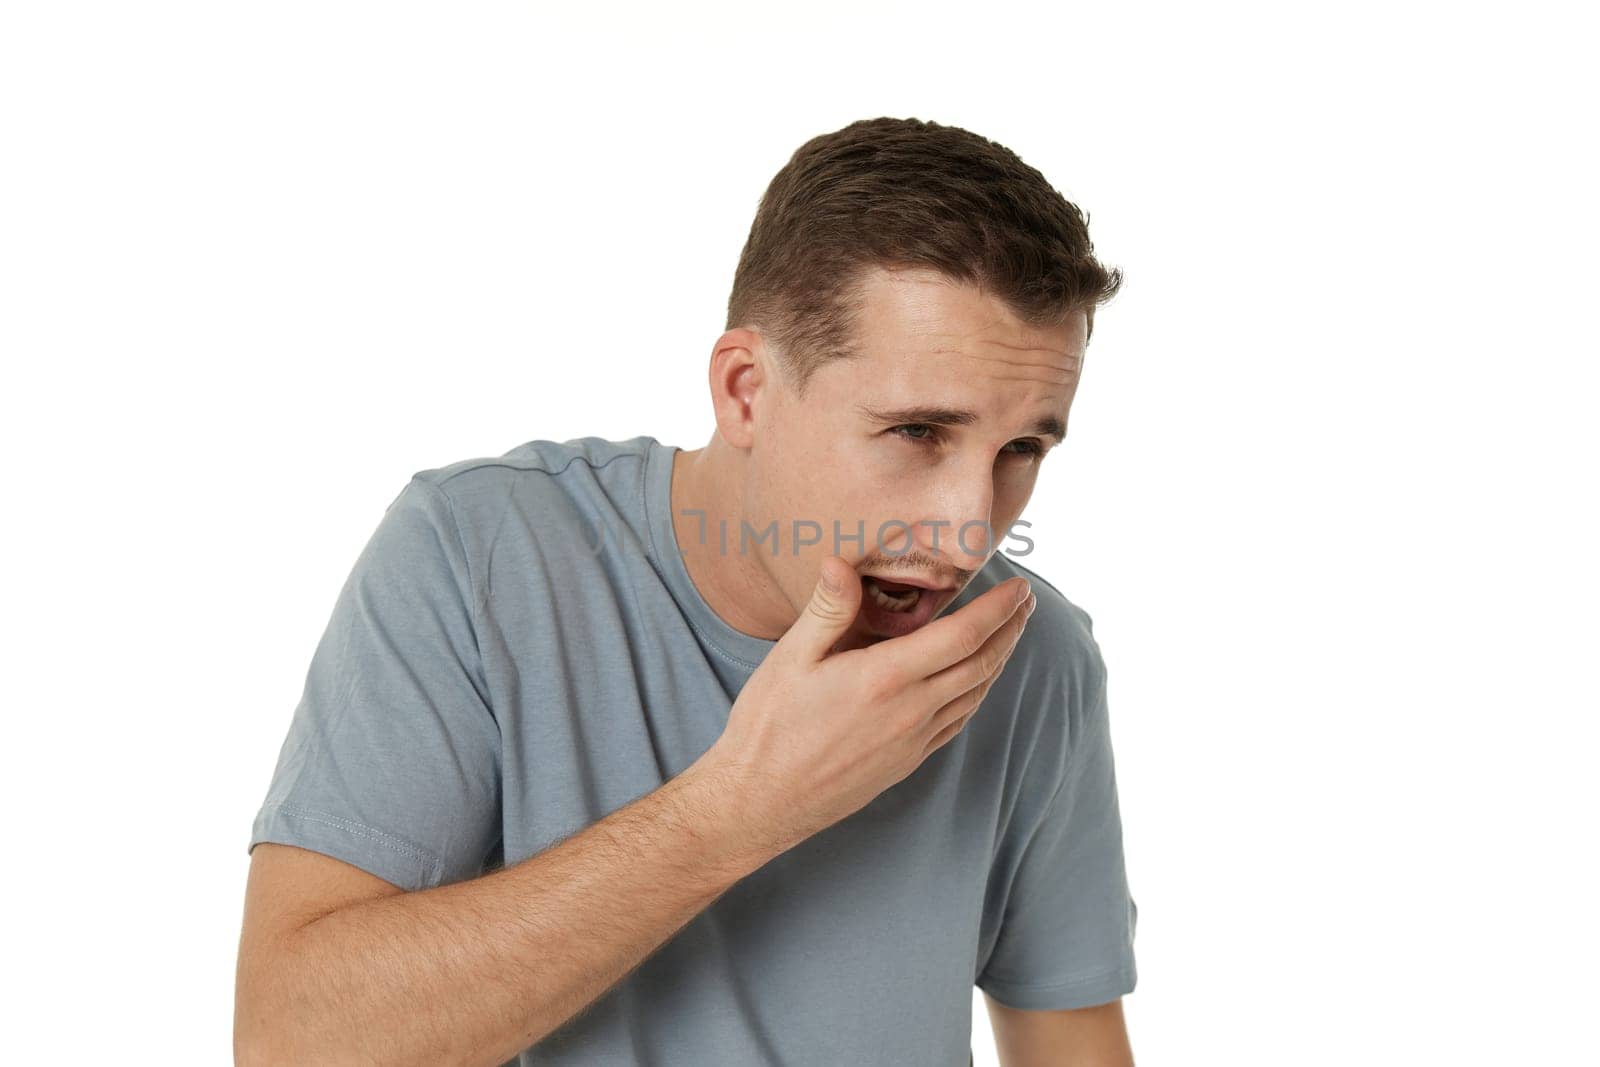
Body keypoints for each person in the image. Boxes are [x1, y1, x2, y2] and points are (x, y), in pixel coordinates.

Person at [234, 116, 1139, 1066]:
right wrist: (739, 807)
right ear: (746, 390)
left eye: (1022, 448)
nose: (967, 529)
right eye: (918, 431)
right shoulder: (478, 556)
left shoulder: (1028, 657)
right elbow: (291, 1041)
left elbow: (1069, 1047)